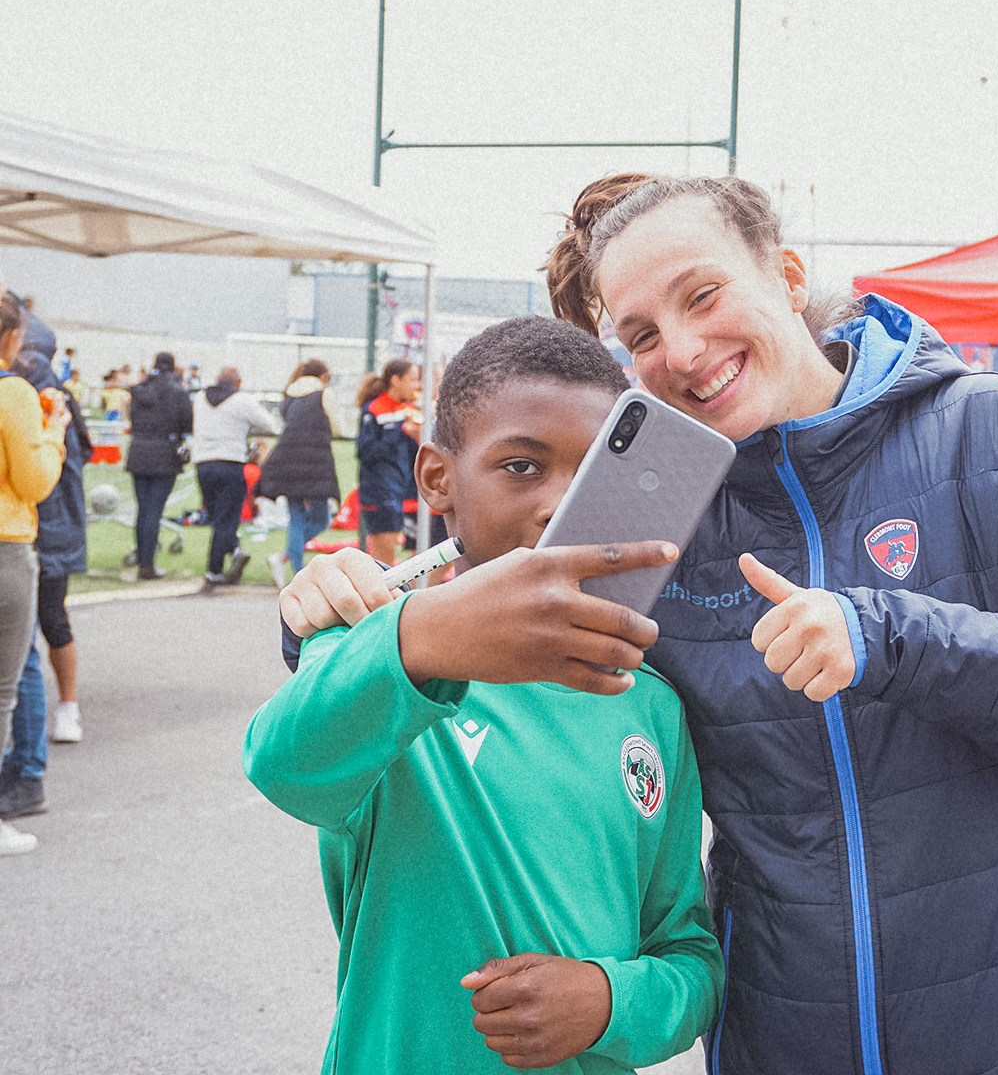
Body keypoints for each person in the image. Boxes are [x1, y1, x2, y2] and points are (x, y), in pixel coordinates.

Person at [285, 174, 998, 1073]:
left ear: (787, 275)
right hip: (783, 1039)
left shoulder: (991, 432)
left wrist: (888, 638)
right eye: (640, 334)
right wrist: (324, 616)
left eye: (704, 295)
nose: (680, 349)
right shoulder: (651, 502)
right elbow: (490, 612)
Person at [247, 315, 723, 1072]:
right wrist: (415, 639)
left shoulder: (648, 703)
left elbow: (691, 959)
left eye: (593, 472)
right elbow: (285, 766)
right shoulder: (387, 653)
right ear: (438, 479)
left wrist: (608, 1001)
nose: (556, 508)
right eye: (523, 467)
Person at [0, 292, 68, 857]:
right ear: (13, 338)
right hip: (6, 545)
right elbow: (35, 481)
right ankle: (12, 796)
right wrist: (56, 431)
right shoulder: (13, 392)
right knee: (8, 682)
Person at [192, 366, 276, 589]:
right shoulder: (242, 400)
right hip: (230, 462)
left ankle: (235, 550)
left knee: (215, 516)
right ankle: (214, 570)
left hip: (203, 463)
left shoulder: (200, 398)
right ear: (238, 382)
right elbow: (269, 423)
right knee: (227, 518)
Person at [258, 360, 340, 588]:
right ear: (323, 376)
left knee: (295, 517)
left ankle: (292, 567)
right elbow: (337, 427)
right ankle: (290, 565)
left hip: (285, 458)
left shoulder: (290, 394)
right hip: (315, 461)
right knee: (321, 518)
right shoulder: (323, 393)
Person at [125, 352, 192, 581]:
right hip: (164, 453)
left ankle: (142, 556)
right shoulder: (178, 392)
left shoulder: (140, 390)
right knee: (154, 511)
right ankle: (147, 564)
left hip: (139, 451)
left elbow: (133, 420)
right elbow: (186, 422)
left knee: (143, 510)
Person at [355, 359, 421, 566]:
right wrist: (398, 432)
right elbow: (365, 452)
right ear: (396, 380)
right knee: (383, 559)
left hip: (402, 489)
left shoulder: (409, 410)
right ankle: (379, 598)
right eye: (412, 379)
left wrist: (417, 436)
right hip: (379, 490)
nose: (417, 385)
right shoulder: (375, 409)